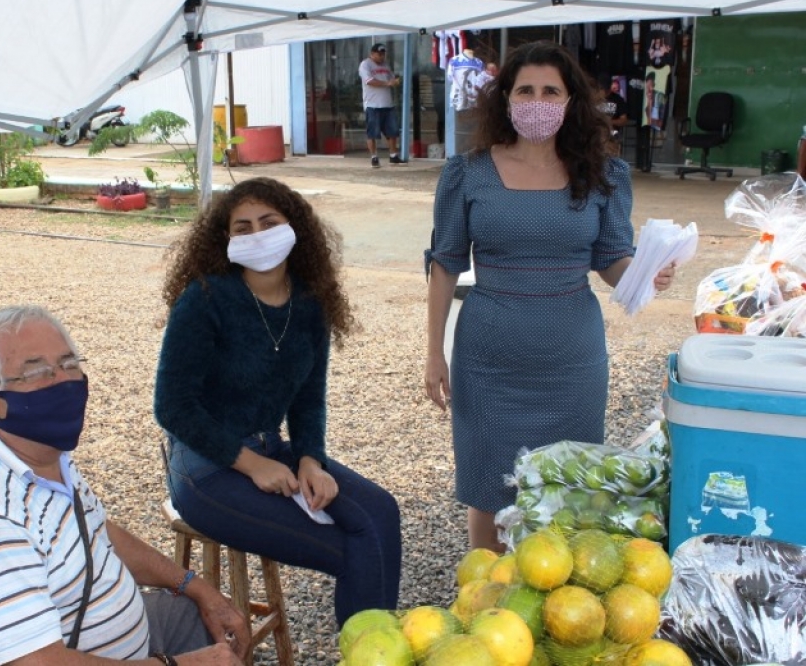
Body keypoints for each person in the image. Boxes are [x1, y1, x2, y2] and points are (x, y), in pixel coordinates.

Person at [423, 42, 676, 552]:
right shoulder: (468, 172)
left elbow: (610, 259)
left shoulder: (603, 174)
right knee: (490, 489)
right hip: (489, 362)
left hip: (571, 362)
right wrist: (433, 352)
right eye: (525, 90)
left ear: (570, 101)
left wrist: (645, 273)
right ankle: (486, 600)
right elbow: (445, 263)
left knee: (568, 485)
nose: (537, 101)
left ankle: (554, 598)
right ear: (505, 98)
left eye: (550, 91)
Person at [0, 305, 248, 666]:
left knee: (210, 626)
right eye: (38, 371)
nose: (63, 381)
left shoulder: (39, 458)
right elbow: (39, 663)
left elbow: (95, 532)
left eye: (70, 364)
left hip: (110, 633)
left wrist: (194, 586)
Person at [154, 177, 402, 627]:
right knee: (358, 550)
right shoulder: (205, 299)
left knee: (382, 512)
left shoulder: (311, 303)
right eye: (242, 227)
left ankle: (378, 651)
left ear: (295, 228)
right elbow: (172, 407)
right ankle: (374, 652)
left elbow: (309, 400)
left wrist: (310, 460)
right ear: (225, 239)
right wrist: (251, 464)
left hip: (276, 449)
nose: (257, 235)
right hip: (206, 468)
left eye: (269, 222)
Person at [358, 42, 404, 168]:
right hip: (372, 104)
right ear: (372, 54)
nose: (381, 57)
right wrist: (387, 83)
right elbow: (369, 81)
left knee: (392, 131)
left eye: (383, 54)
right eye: (379, 54)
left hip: (387, 103)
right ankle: (374, 157)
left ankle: (393, 156)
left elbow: (391, 79)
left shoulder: (386, 65)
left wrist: (395, 81)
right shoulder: (365, 65)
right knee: (372, 132)